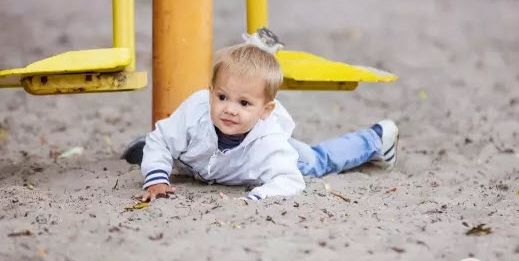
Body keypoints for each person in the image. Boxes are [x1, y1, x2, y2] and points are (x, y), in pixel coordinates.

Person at [136, 37, 399, 202]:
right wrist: (157, 178)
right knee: (168, 142)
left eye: (244, 103)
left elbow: (290, 180)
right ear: (210, 93)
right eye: (222, 97)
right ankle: (165, 155)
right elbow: (160, 139)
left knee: (318, 161)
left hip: (269, 157)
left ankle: (375, 140)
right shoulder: (195, 112)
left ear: (265, 110)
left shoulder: (270, 144)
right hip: (208, 163)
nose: (230, 109)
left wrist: (260, 195)